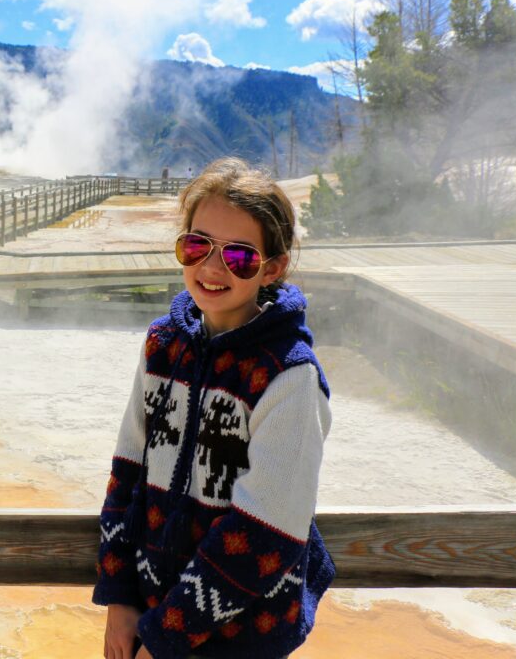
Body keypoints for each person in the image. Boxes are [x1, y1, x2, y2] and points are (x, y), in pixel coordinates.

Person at [94, 157, 334, 659]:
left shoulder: (289, 377)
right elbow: (126, 472)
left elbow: (265, 532)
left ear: (274, 267)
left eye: (240, 257)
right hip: (150, 615)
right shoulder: (163, 345)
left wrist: (165, 637)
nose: (210, 267)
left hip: (241, 639)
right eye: (197, 245)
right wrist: (119, 598)